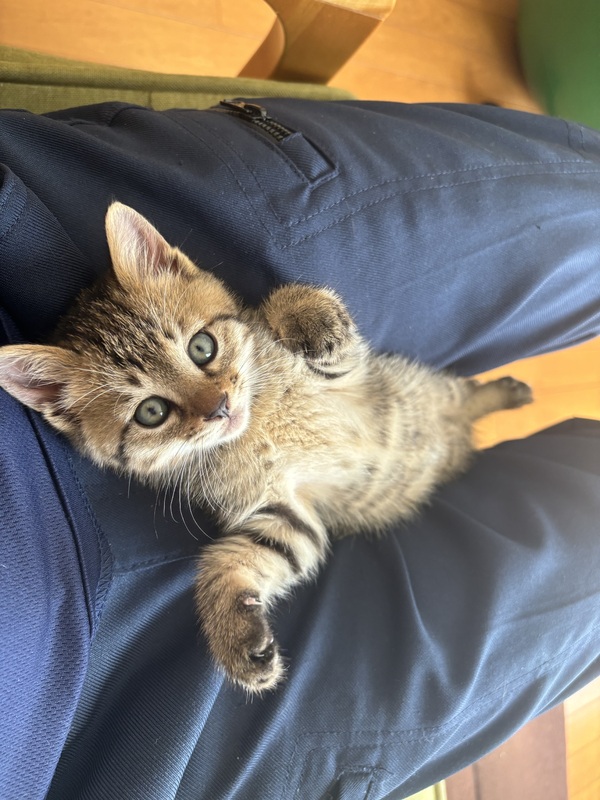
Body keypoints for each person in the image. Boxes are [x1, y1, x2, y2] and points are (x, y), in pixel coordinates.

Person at [0, 98, 599, 800]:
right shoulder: (209, 476)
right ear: (61, 406)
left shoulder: (240, 341)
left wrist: (297, 315)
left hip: (396, 399)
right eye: (155, 412)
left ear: (174, 264)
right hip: (84, 725)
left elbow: (330, 359)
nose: (214, 402)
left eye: (202, 348)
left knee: (536, 262)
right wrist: (231, 587)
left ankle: (484, 396)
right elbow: (291, 526)